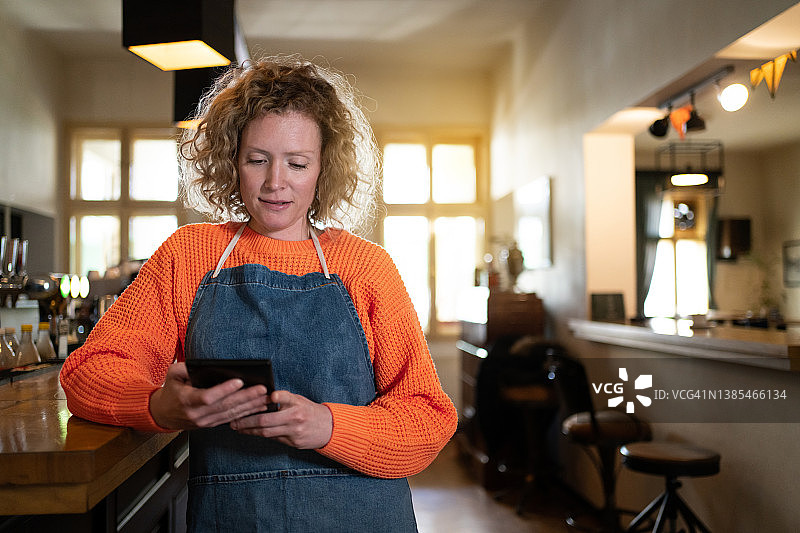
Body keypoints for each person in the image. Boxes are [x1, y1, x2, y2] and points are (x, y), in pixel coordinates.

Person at [60, 55, 457, 532]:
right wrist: (156, 406)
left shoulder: (365, 267)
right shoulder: (190, 255)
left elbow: (428, 418)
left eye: (297, 163)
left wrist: (328, 426)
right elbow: (89, 370)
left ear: (323, 169)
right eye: (257, 160)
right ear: (232, 160)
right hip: (234, 518)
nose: (275, 183)